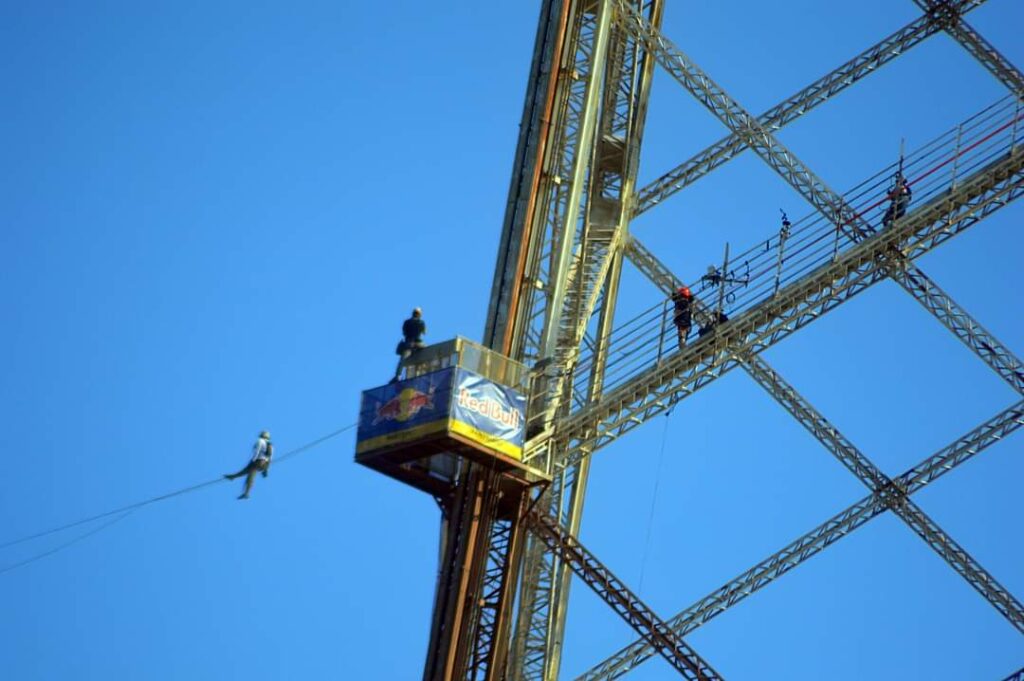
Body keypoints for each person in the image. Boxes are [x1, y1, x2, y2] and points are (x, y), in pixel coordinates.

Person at [224, 430, 274, 500]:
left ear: (261, 435)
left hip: (257, 462)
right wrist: (266, 469)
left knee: (250, 476)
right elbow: (270, 458)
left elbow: (257, 451)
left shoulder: (260, 441)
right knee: (246, 471)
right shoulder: (270, 444)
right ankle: (233, 477)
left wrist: (253, 460)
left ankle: (246, 493)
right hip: (264, 464)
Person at [393, 307, 427, 381]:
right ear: (420, 314)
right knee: (427, 351)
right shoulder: (421, 322)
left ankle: (397, 376)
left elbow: (404, 332)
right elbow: (424, 332)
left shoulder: (407, 322)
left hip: (408, 344)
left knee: (402, 361)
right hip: (418, 344)